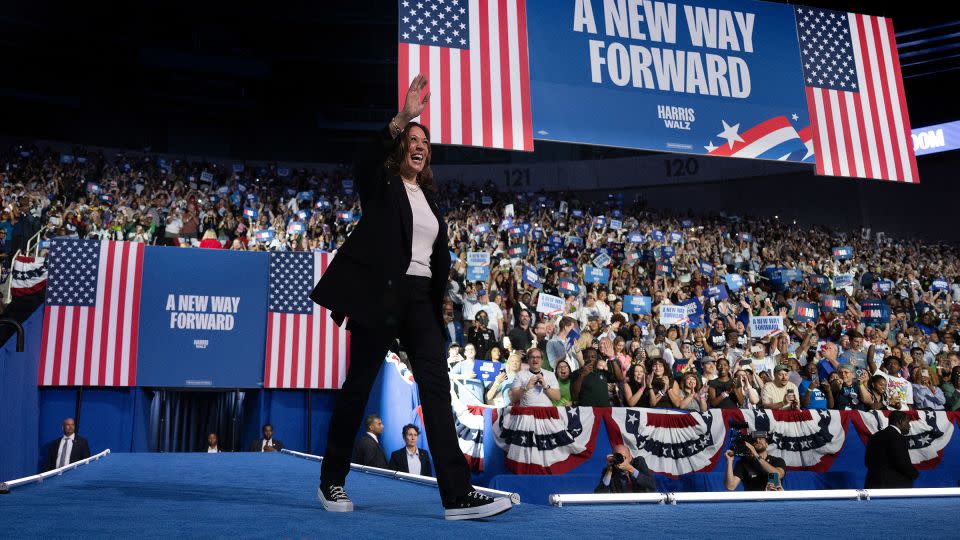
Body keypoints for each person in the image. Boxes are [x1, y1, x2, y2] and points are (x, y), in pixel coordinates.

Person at [309, 75, 511, 520]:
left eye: (424, 141)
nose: (419, 144)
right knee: (358, 388)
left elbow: (434, 260)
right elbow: (364, 161)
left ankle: (457, 496)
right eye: (411, 139)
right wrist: (402, 118)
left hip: (420, 302)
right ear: (400, 147)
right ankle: (332, 482)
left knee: (438, 393)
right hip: (381, 297)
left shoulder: (431, 201)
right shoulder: (381, 187)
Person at [864, 410, 919, 489]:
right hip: (893, 487)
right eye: (907, 422)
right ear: (900, 421)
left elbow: (867, 462)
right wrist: (914, 474)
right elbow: (902, 463)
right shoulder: (898, 438)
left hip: (872, 484)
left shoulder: (874, 436)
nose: (909, 426)